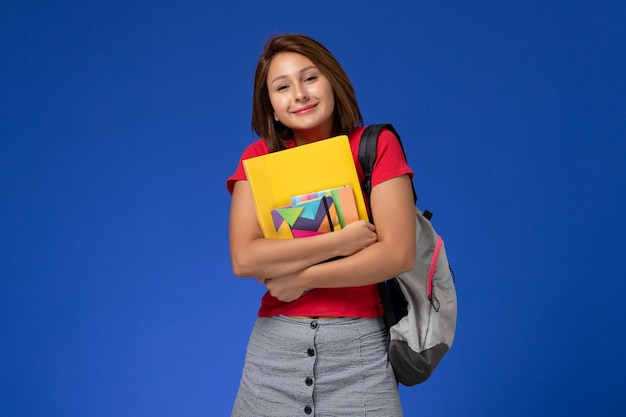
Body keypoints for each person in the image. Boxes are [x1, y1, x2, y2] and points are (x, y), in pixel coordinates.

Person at [226, 33, 416, 416]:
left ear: (333, 81)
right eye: (282, 87)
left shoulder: (376, 146)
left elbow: (398, 253)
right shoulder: (258, 158)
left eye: (310, 78)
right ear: (272, 108)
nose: (299, 93)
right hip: (274, 354)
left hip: (359, 355)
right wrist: (340, 242)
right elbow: (245, 259)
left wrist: (303, 278)